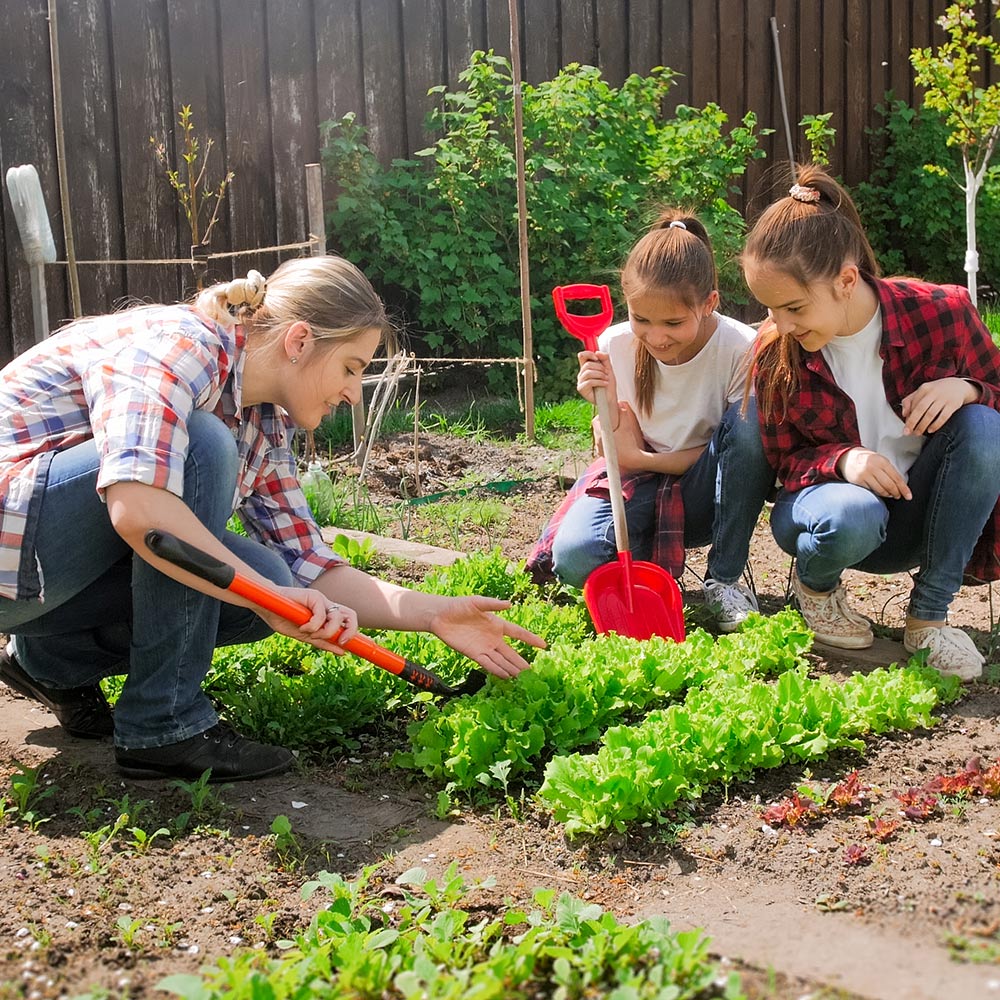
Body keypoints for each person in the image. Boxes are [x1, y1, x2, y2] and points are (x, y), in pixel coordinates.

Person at [0, 255, 544, 780]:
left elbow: (310, 566)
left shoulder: (262, 423)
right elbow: (140, 511)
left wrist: (435, 613)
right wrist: (267, 592)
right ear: (300, 341)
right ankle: (162, 727)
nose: (354, 393)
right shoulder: (183, 345)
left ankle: (52, 658)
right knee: (204, 449)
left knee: (267, 580)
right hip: (11, 547)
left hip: (36, 575)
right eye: (351, 368)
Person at [741, 165, 1000, 681]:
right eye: (770, 308)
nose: (782, 324)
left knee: (983, 425)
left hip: (920, 516)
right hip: (831, 517)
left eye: (793, 306)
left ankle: (929, 619)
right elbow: (782, 464)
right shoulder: (777, 350)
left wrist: (970, 389)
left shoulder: (942, 312)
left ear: (845, 280)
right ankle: (816, 590)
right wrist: (843, 459)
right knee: (851, 510)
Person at [528, 210, 775, 632]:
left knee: (752, 425)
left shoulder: (740, 347)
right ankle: (648, 575)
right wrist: (600, 405)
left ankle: (724, 580)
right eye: (642, 319)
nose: (657, 336)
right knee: (575, 559)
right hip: (638, 483)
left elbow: (740, 451)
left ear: (709, 303)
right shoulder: (611, 344)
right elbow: (615, 448)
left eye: (674, 323)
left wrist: (638, 456)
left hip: (709, 489)